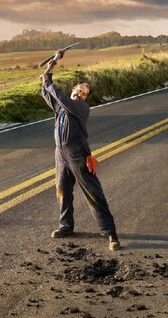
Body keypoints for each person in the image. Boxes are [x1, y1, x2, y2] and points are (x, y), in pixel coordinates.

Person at [40, 56, 120, 251]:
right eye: (79, 89)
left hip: (78, 154)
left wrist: (49, 79)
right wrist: (49, 69)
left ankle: (111, 234)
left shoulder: (81, 108)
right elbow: (47, 94)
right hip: (61, 154)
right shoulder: (62, 108)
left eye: (84, 93)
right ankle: (65, 227)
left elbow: (58, 95)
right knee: (63, 191)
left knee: (93, 192)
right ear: (74, 89)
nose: (80, 94)